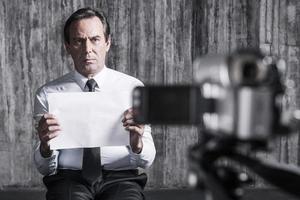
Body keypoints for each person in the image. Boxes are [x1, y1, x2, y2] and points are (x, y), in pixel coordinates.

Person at [33, 7, 156, 200]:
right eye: (78, 41)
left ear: (107, 43)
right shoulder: (48, 94)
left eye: (95, 39)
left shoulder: (133, 87)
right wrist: (45, 146)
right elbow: (43, 167)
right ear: (67, 46)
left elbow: (147, 160)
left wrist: (137, 143)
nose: (87, 49)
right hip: (69, 179)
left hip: (121, 179)